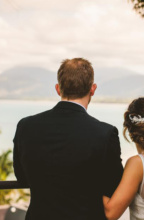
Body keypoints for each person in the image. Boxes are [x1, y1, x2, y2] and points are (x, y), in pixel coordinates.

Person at [13, 58, 123, 220]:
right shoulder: (105, 133)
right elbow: (114, 185)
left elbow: (21, 176)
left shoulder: (26, 126)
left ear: (58, 89)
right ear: (93, 89)